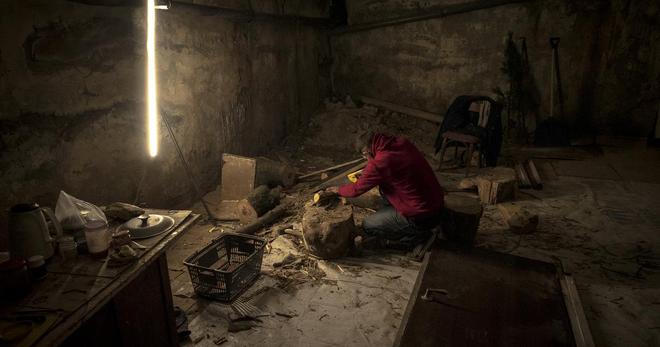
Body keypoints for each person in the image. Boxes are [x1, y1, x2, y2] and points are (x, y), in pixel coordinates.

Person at [327, 131, 444, 248]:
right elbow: (395, 168)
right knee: (384, 191)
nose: (366, 159)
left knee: (368, 224)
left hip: (422, 216)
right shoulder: (402, 143)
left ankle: (415, 237)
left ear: (366, 151)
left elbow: (355, 190)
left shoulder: (380, 163)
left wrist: (337, 190)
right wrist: (370, 174)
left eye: (364, 156)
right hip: (437, 201)